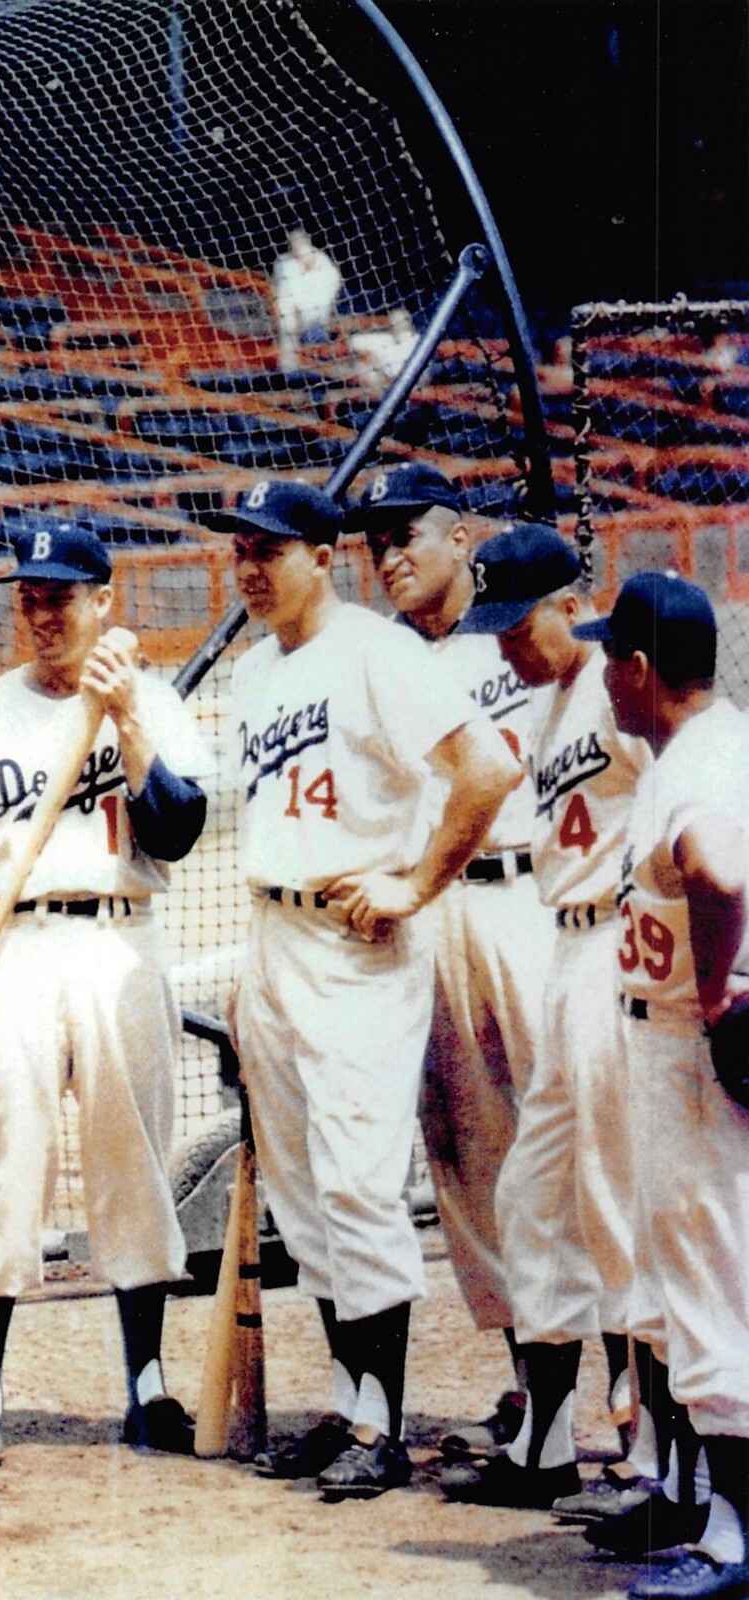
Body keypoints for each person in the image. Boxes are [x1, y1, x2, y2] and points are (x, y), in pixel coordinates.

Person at [214, 477, 519, 1499]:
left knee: (357, 1182)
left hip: (358, 945)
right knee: (303, 1194)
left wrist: (416, 883)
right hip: (275, 934)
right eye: (240, 552)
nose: (251, 569)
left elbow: (486, 769)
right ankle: (352, 1406)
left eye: (269, 550)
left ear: (322, 557)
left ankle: (382, 1425)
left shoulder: (378, 653)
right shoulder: (253, 672)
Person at [0, 521, 210, 1469]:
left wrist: (127, 722)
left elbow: (178, 832)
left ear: (102, 602)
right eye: (30, 600)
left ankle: (147, 1384)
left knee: (133, 1156)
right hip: (15, 946)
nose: (42, 616)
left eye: (61, 599)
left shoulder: (152, 702)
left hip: (121, 939)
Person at [428, 523, 654, 1512]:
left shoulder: (622, 691)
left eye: (520, 629)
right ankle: (548, 1446)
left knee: (616, 1200)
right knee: (531, 1198)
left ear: (571, 604)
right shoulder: (551, 696)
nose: (508, 650)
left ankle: (657, 1457)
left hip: (619, 947)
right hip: (562, 942)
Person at [347, 463, 560, 1459]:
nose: (389, 559)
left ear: (461, 537)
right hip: (434, 911)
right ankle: (535, 1387)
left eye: (407, 538)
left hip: (534, 897)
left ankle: (636, 1397)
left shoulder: (517, 633)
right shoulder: (382, 657)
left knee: (570, 1138)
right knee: (470, 1151)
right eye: (375, 544)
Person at [571, 572, 749, 1600]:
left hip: (689, 1051)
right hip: (678, 1048)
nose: (603, 677)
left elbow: (721, 873)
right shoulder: (719, 744)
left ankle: (732, 1544)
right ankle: (707, 1512)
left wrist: (717, 991)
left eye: (611, 660)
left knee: (711, 1288)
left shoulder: (696, 770)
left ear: (639, 669)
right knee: (698, 1283)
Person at [272, 228, 341, 373]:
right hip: (291, 309)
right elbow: (280, 290)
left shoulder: (322, 260)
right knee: (287, 320)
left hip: (317, 310)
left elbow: (332, 286)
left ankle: (319, 366)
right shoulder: (283, 262)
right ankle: (288, 365)